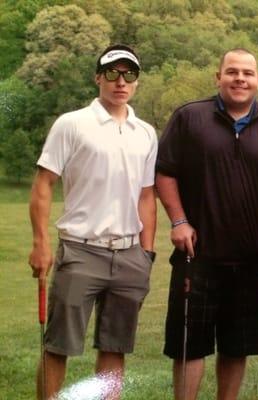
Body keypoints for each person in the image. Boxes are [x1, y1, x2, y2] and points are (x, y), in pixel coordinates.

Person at [156, 48, 258, 400]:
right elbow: (165, 172)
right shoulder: (190, 117)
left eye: (247, 73)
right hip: (197, 256)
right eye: (231, 72)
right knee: (190, 347)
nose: (239, 79)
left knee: (237, 347)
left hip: (250, 260)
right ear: (218, 77)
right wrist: (179, 220)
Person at [28, 44, 157, 400]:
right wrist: (40, 244)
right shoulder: (72, 124)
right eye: (112, 73)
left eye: (129, 74)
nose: (121, 81)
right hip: (80, 252)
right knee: (59, 346)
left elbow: (147, 196)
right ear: (98, 77)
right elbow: (43, 185)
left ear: (136, 82)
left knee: (115, 347)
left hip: (130, 254)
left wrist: (146, 254)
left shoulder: (145, 132)